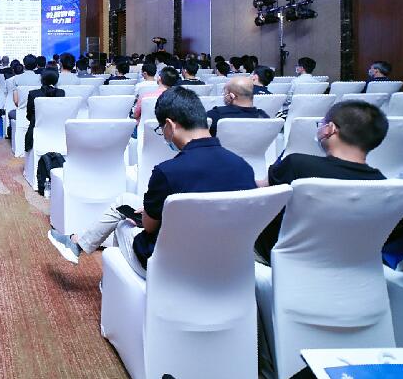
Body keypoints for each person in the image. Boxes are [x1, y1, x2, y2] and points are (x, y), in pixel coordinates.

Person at [48, 87, 257, 275]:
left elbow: (149, 227)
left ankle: (109, 279)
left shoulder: (168, 172)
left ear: (170, 126)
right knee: (126, 201)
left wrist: (150, 213)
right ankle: (77, 243)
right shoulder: (243, 168)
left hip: (170, 264)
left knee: (123, 221)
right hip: (228, 264)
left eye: (161, 129)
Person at [254, 101, 390, 261]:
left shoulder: (297, 164)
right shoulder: (384, 185)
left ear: (330, 129)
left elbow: (259, 192)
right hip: (347, 259)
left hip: (285, 256)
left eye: (321, 124)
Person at [25, 67, 66, 153]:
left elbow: (29, 115)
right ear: (56, 80)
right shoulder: (61, 93)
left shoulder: (33, 94)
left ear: (41, 79)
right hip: (58, 129)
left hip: (37, 129)